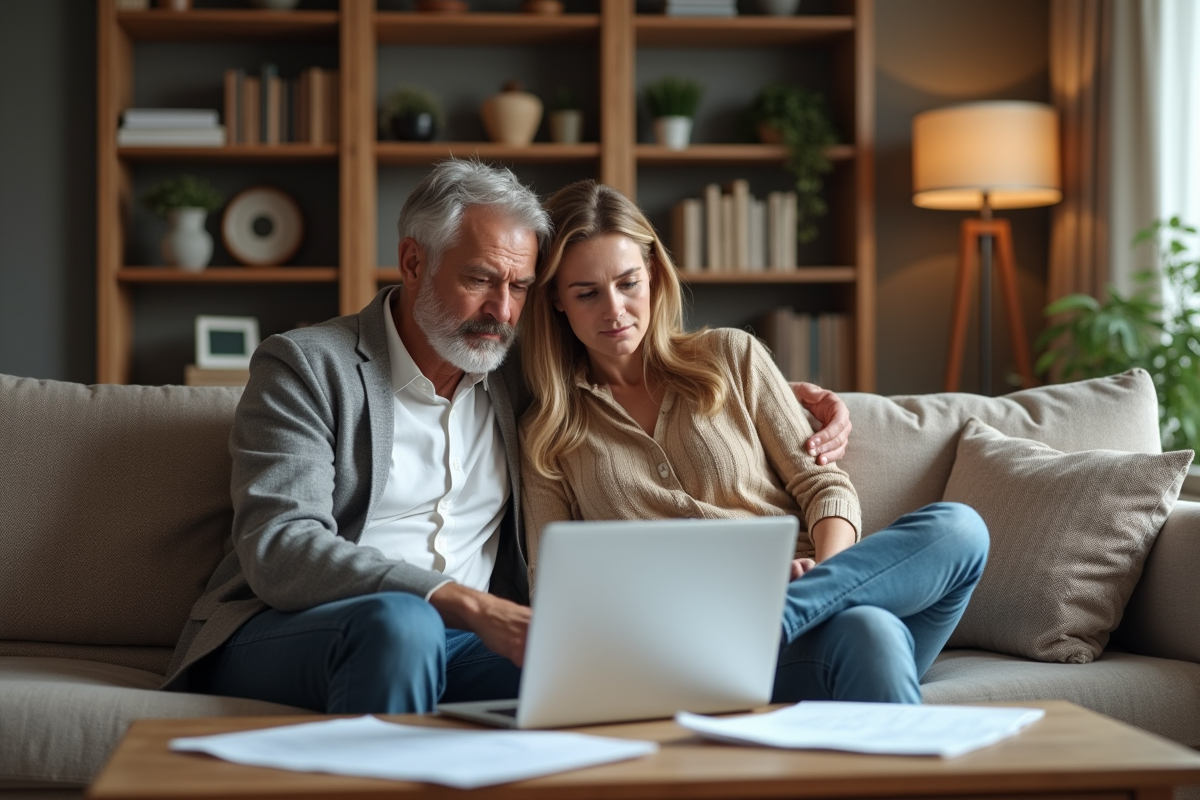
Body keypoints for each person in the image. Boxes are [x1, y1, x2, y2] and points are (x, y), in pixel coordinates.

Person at [161, 160, 854, 714]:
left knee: (627, 665)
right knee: (403, 627)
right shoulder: (308, 365)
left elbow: (629, 363)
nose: (502, 310)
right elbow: (280, 549)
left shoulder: (515, 371)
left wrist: (799, 398)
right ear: (412, 262)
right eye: (481, 280)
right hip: (304, 627)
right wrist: (456, 600)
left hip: (468, 643)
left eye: (521, 286)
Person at [519, 179, 989, 704]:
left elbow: (824, 487)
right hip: (688, 647)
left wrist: (820, 583)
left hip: (809, 602)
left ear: (652, 275)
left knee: (959, 529)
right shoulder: (546, 432)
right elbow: (555, 589)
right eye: (586, 293)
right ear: (557, 300)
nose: (615, 310)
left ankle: (786, 614)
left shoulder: (732, 357)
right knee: (872, 634)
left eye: (628, 283)